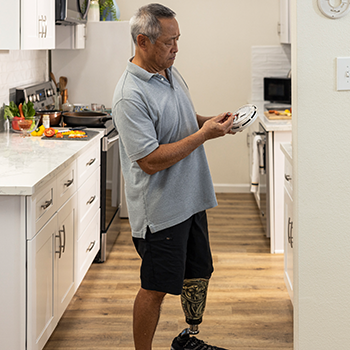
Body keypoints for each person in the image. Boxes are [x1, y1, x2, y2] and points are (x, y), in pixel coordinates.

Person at [112, 3, 235, 350]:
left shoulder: (168, 71)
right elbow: (149, 161)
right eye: (169, 42)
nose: (176, 48)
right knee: (155, 287)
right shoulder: (129, 96)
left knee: (197, 273)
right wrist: (204, 135)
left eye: (178, 39)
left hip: (191, 197)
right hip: (161, 211)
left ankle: (187, 340)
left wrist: (213, 122)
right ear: (142, 41)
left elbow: (181, 116)